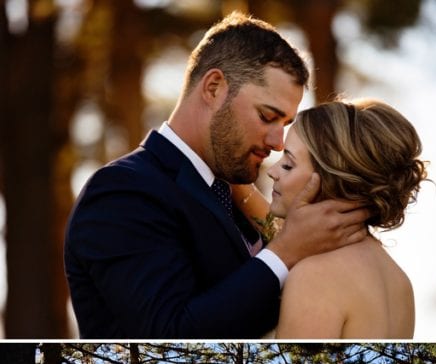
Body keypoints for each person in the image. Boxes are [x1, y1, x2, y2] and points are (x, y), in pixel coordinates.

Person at [64, 12, 368, 339]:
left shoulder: (233, 193)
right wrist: (286, 251)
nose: (278, 142)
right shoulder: (123, 191)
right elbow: (167, 337)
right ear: (213, 88)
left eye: (285, 125)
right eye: (268, 116)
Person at [234, 97, 427, 338]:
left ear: (329, 181)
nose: (272, 171)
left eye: (288, 165)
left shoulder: (314, 276)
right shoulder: (399, 282)